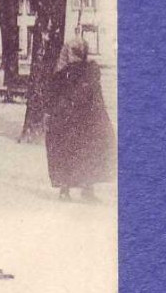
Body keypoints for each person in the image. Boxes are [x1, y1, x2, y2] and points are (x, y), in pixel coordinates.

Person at [46, 40, 116, 202]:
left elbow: (53, 98)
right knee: (87, 153)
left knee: (66, 152)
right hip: (87, 120)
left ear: (69, 53)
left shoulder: (62, 73)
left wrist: (51, 116)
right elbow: (97, 99)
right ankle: (87, 190)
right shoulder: (90, 71)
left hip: (67, 120)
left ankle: (65, 190)